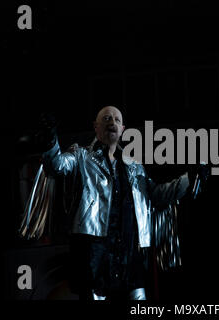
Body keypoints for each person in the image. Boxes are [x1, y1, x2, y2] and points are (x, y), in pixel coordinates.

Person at [37, 106, 207, 300]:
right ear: (96, 126)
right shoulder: (81, 156)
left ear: (123, 129)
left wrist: (189, 178)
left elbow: (158, 196)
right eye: (107, 118)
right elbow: (56, 166)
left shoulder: (134, 166)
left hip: (130, 247)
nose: (112, 122)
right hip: (93, 246)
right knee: (94, 295)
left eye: (117, 120)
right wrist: (51, 137)